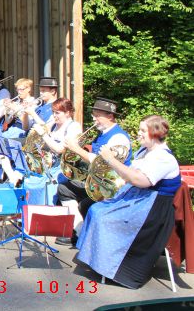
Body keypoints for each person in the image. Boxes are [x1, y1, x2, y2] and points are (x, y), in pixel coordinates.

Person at [76, 115, 181, 289]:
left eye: (142, 131)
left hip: (152, 210)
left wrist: (111, 159)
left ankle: (113, 268)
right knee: (94, 208)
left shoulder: (164, 158)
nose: (138, 134)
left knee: (102, 216)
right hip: (140, 200)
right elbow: (131, 174)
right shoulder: (145, 151)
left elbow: (140, 180)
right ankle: (99, 261)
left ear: (154, 134)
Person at [56, 97, 132, 244]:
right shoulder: (101, 134)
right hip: (97, 181)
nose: (94, 119)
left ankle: (84, 237)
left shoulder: (118, 137)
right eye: (94, 115)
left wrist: (76, 149)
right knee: (64, 188)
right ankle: (80, 231)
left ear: (110, 116)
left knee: (85, 204)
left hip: (111, 185)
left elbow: (102, 164)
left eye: (98, 116)